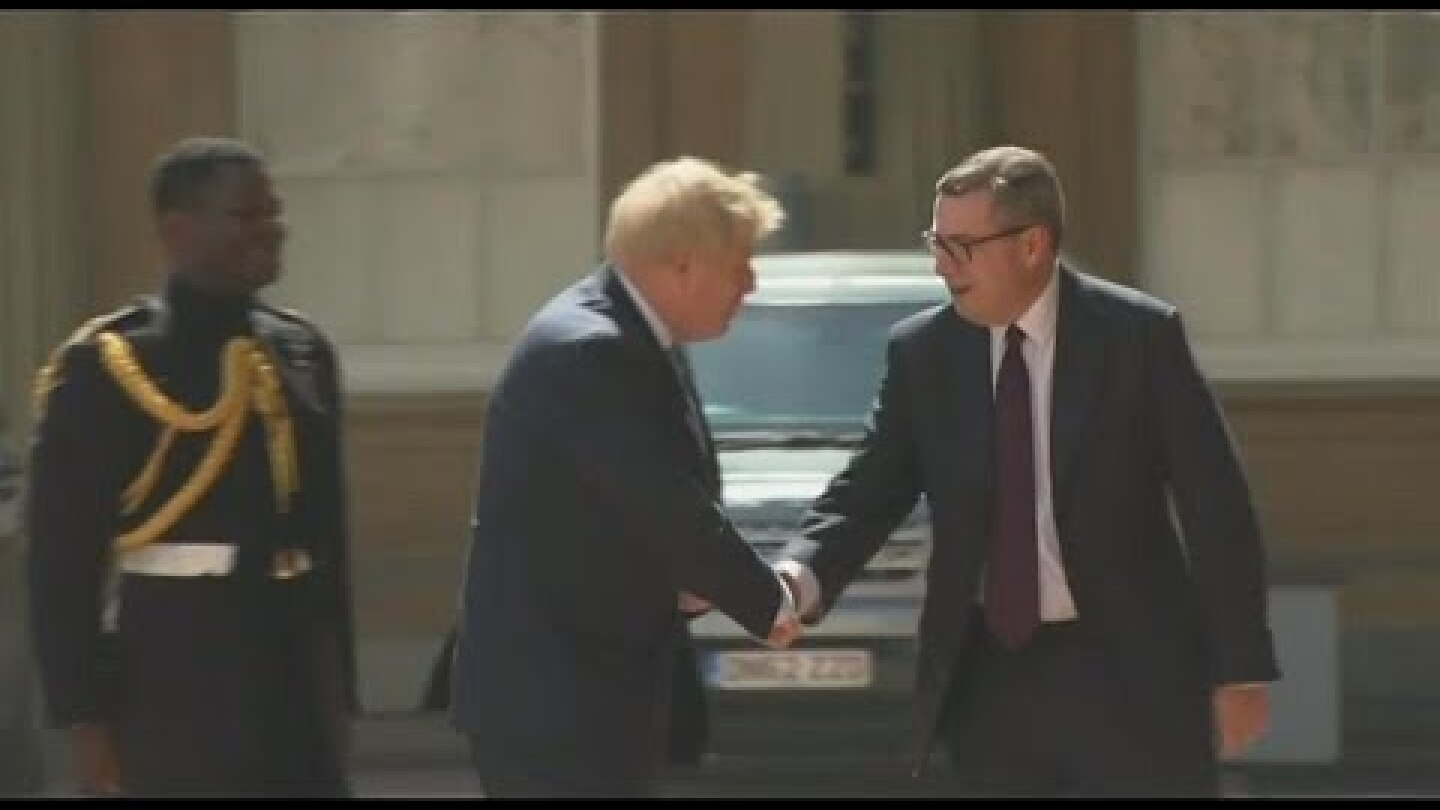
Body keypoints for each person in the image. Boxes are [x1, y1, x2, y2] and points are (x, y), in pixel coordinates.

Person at [774, 145, 1280, 797]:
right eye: (937, 242)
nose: (941, 265)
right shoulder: (924, 354)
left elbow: (1218, 507)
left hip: (1129, 678)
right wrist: (799, 575)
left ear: (1032, 245)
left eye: (961, 246)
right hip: (992, 683)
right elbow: (869, 491)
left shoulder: (1137, 339)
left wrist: (1239, 668)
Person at [449, 156, 801, 798]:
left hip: (598, 694)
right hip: (555, 703)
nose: (749, 284)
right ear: (683, 265)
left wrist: (694, 581)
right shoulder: (588, 350)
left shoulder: (638, 339)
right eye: (739, 265)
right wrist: (767, 601)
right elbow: (664, 505)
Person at [24, 136, 356, 798]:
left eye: (273, 211)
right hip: (175, 667)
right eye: (246, 215)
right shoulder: (110, 363)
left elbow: (327, 537)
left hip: (289, 664)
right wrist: (85, 723)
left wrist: (339, 694)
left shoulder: (301, 349)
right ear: (178, 229)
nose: (271, 229)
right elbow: (62, 562)